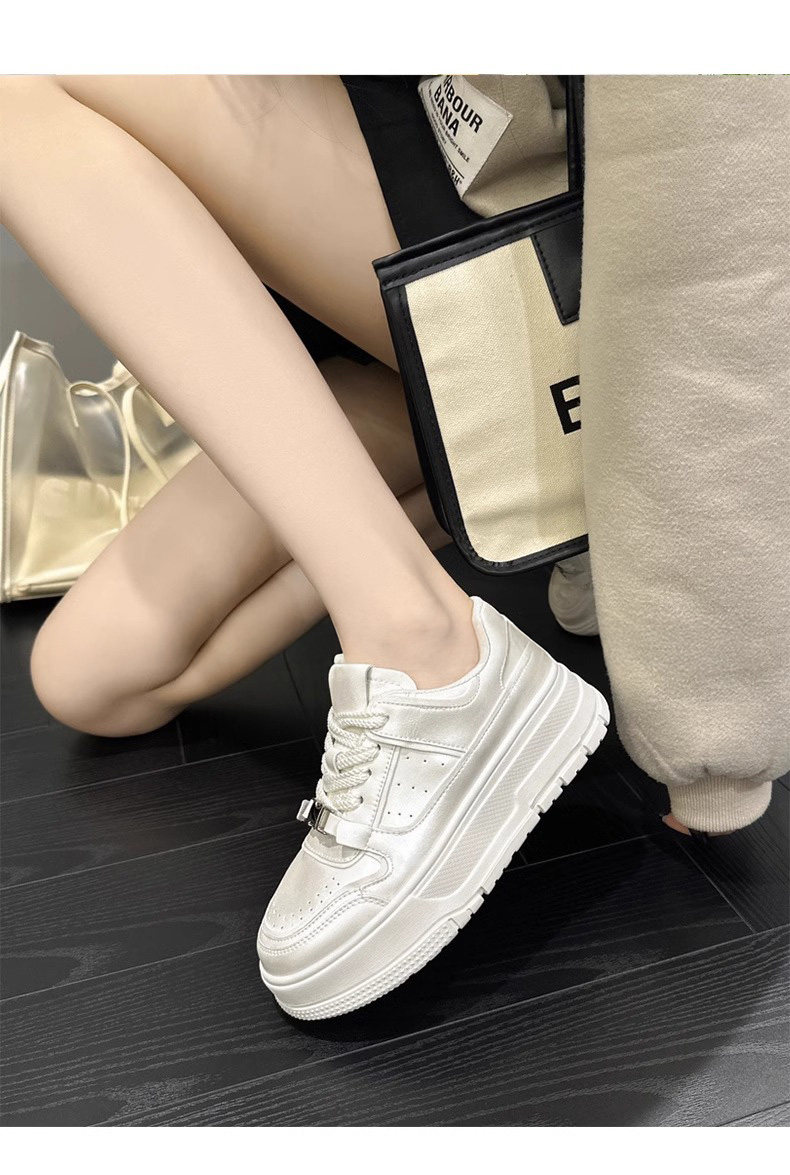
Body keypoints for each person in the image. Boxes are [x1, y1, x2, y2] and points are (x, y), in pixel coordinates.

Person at [0, 75, 781, 1018]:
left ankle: (426, 644)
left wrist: (716, 745)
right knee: (87, 677)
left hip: (560, 259)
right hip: (409, 289)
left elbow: (717, 164)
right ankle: (497, 473)